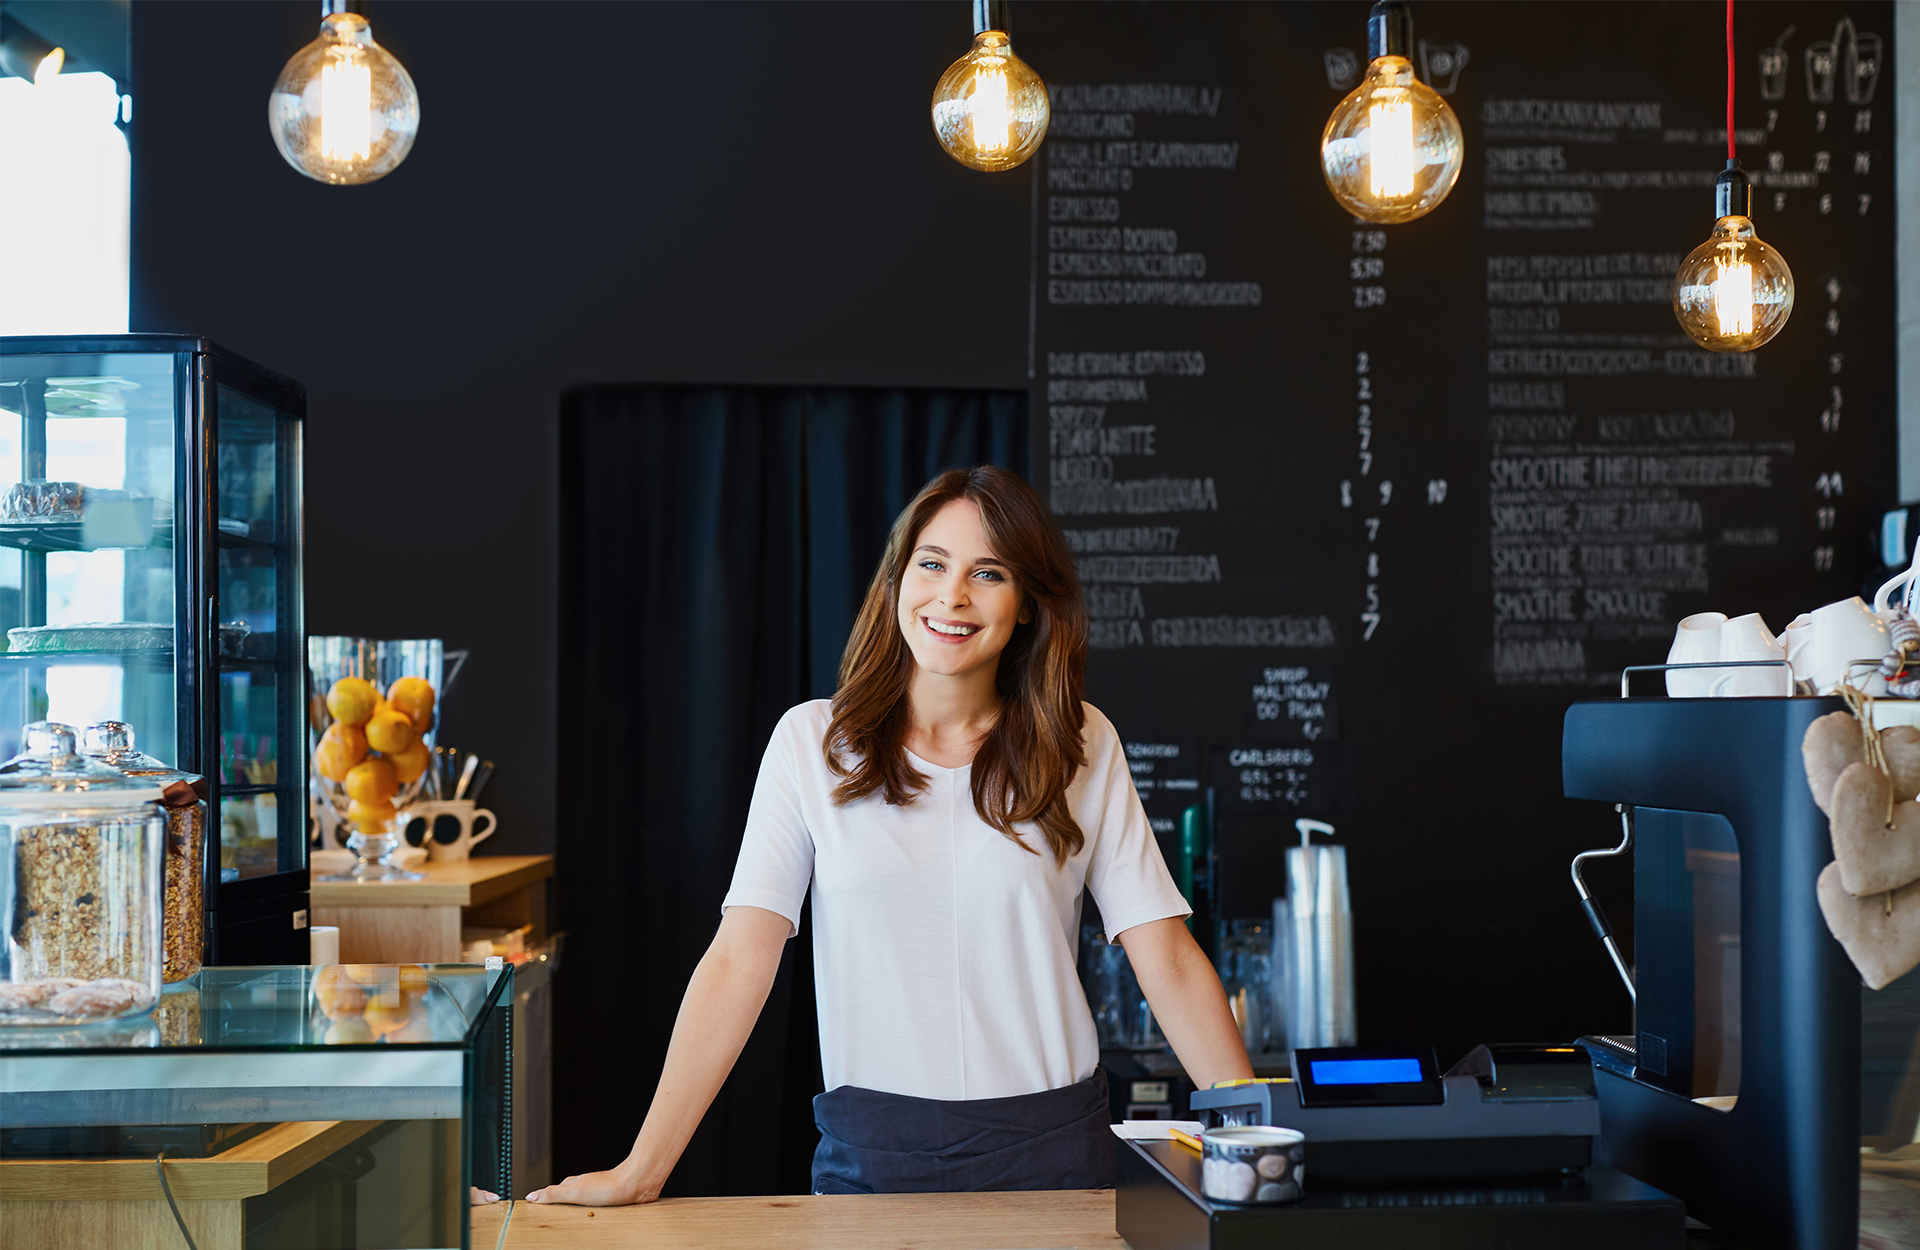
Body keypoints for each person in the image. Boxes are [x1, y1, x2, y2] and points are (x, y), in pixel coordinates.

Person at [528, 465, 1251, 1204]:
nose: (952, 596)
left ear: (1029, 602)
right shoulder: (811, 743)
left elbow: (1164, 956)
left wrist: (1253, 1144)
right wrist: (640, 1172)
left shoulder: (1081, 743)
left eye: (989, 573)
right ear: (897, 579)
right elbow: (738, 963)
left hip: (1057, 1154)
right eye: (932, 564)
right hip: (873, 1161)